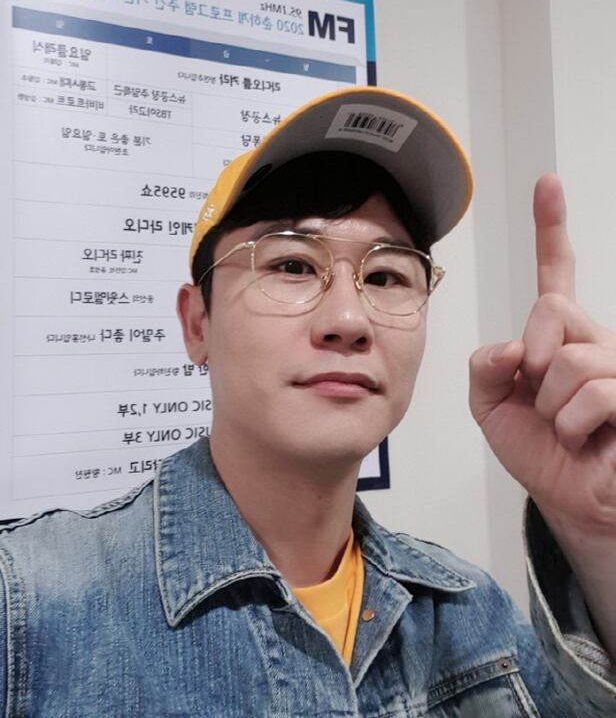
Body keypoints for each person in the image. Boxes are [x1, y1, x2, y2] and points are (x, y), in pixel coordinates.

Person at [0, 86, 614, 716]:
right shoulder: (29, 606)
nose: (348, 320)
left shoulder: (470, 615)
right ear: (197, 324)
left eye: (386, 276)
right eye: (292, 265)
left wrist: (597, 533)